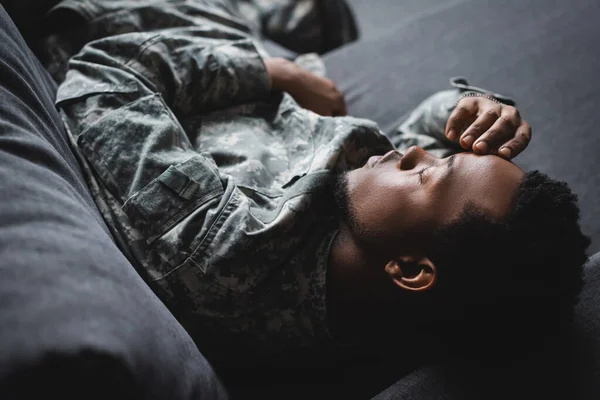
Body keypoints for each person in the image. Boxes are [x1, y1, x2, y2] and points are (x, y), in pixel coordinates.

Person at [46, 0, 589, 367]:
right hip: (239, 33)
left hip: (149, 21)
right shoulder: (374, 236)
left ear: (410, 271)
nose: (415, 153)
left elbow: (108, 76)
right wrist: (483, 114)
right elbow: (424, 134)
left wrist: (274, 74)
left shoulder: (220, 247)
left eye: (428, 171)